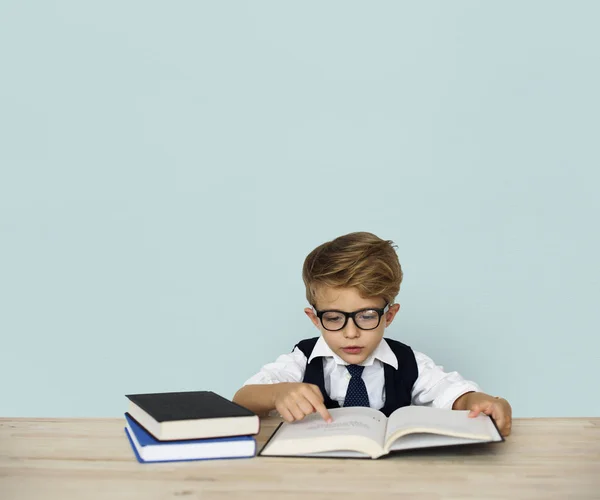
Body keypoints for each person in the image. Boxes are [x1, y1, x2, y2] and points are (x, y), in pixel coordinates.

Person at [233, 232, 512, 436]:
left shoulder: (407, 362)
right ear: (315, 319)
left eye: (366, 316)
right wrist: (278, 394)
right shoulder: (302, 359)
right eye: (333, 318)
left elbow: (451, 392)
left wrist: (479, 402)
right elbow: (242, 399)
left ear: (389, 315)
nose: (351, 333)